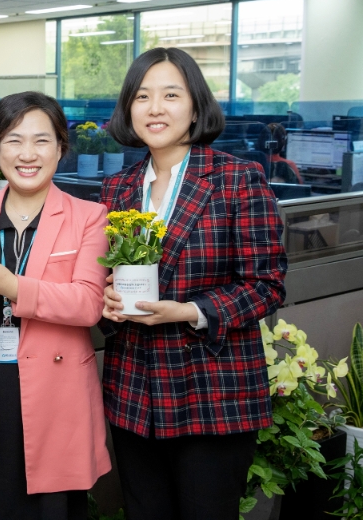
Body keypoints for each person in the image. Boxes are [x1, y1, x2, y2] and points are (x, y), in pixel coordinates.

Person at [99, 47, 286, 520]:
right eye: (142, 96)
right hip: (133, 393)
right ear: (128, 109)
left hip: (211, 392)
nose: (155, 108)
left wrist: (186, 310)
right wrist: (106, 298)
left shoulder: (237, 178)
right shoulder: (117, 188)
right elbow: (110, 272)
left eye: (170, 95)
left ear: (196, 107)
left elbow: (266, 285)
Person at [0, 91, 111, 520]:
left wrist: (10, 284)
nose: (27, 154)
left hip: (53, 393)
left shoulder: (89, 216)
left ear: (62, 148)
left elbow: (88, 304)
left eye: (41, 140)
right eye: (13, 140)